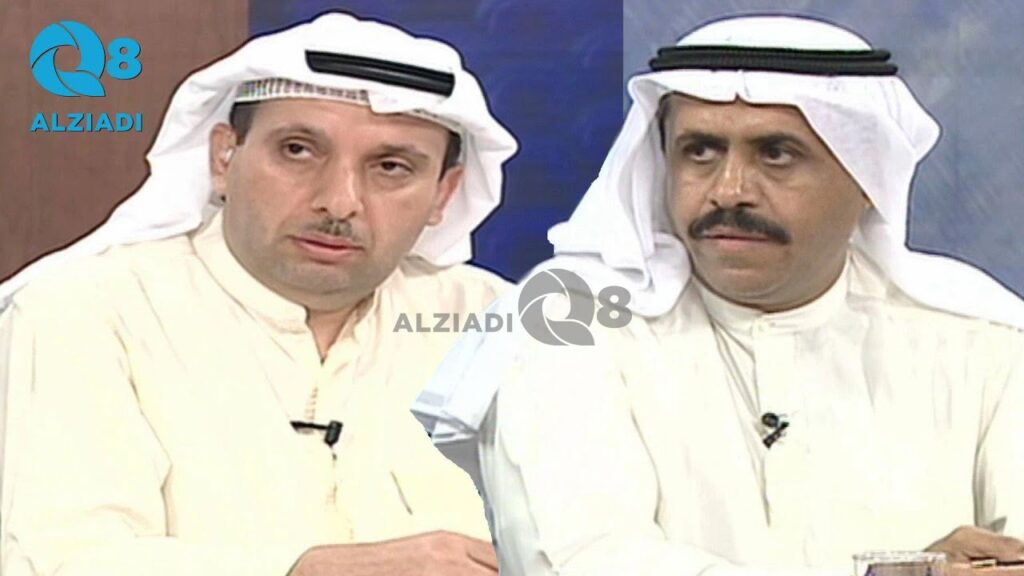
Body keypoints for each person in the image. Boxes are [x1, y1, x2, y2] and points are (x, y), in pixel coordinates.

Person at [414, 15, 1024, 576]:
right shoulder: (567, 326)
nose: (729, 190)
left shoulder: (983, 337)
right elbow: (585, 561)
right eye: (700, 152)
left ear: (869, 179)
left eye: (777, 154)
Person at [0, 12, 517, 576]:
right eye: (298, 150)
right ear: (223, 158)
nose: (339, 201)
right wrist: (311, 570)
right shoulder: (83, 313)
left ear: (443, 194)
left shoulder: (500, 326)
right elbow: (60, 559)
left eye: (390, 167)